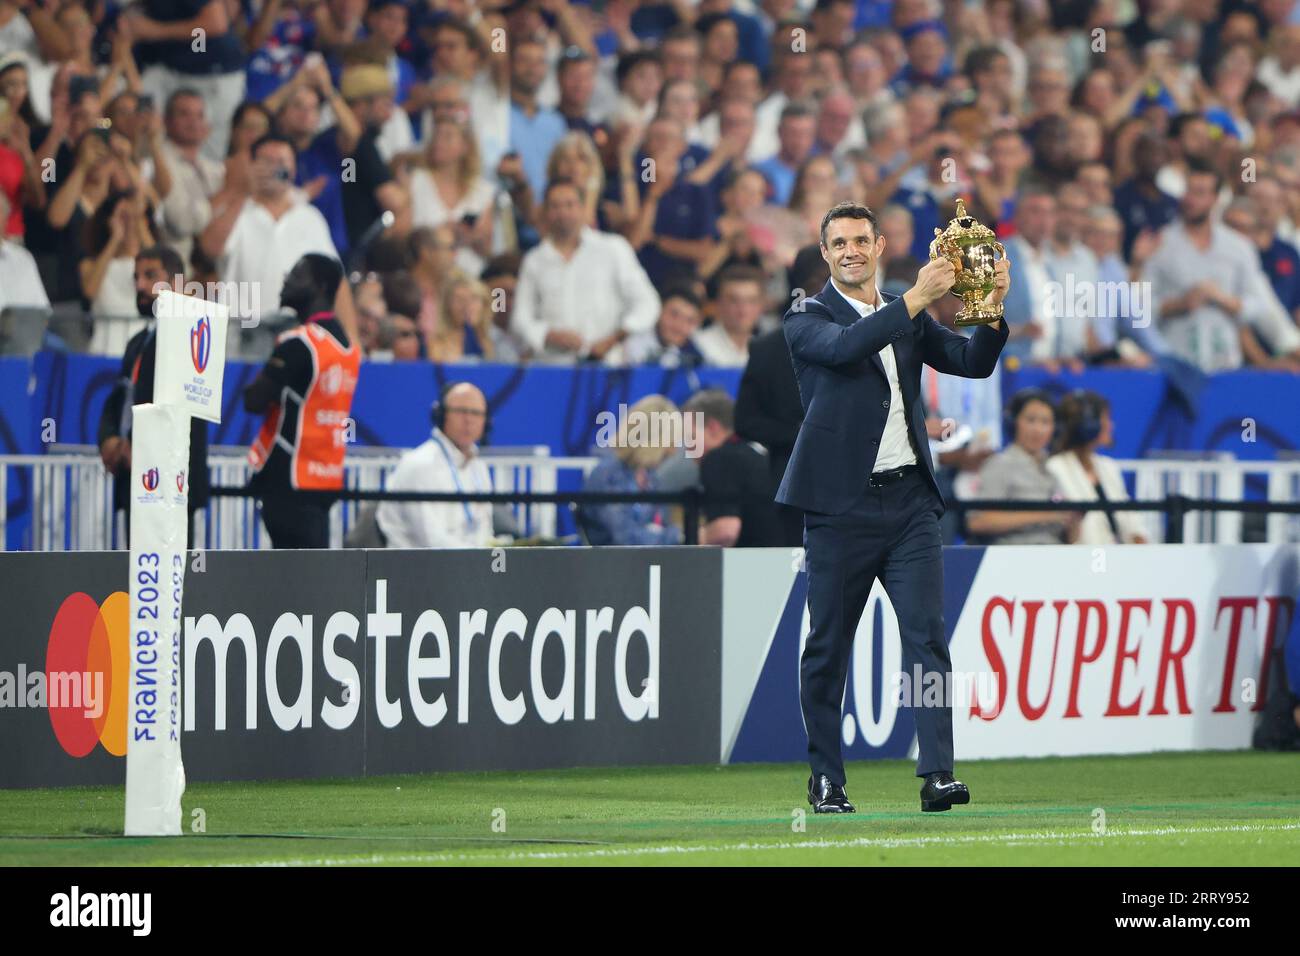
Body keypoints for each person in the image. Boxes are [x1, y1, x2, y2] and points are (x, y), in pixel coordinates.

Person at [777, 200, 1010, 814]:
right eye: (838, 244)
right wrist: (914, 300)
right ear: (825, 254)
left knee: (928, 638)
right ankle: (826, 779)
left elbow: (971, 363)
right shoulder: (806, 315)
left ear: (879, 245)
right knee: (828, 643)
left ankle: (938, 774)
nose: (851, 251)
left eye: (861, 240)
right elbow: (847, 348)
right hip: (838, 507)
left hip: (909, 502)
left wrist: (990, 311)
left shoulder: (903, 313)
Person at [96, 244, 210, 548]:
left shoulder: (195, 335)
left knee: (173, 584)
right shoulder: (138, 343)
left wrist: (141, 444)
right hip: (134, 478)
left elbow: (180, 404)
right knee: (138, 583)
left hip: (171, 482)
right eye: (136, 277)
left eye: (150, 276)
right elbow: (119, 398)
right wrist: (109, 439)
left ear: (176, 283)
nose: (140, 285)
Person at [244, 253, 359, 549]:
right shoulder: (347, 346)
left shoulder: (300, 342)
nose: (286, 280)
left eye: (297, 275)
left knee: (292, 582)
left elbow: (254, 401)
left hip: (288, 480)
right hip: (326, 478)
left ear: (320, 287)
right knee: (310, 577)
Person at [510, 178, 659, 362]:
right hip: (553, 366)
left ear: (583, 208)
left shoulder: (613, 249)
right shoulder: (535, 260)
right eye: (555, 206)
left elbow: (648, 304)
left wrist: (614, 338)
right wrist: (548, 335)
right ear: (546, 212)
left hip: (606, 365)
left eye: (569, 205)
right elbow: (520, 320)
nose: (563, 212)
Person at [375, 381, 494, 549]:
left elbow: (485, 530)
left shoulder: (479, 468)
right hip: (415, 568)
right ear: (441, 415)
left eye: (476, 413)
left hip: (466, 565)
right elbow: (430, 541)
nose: (469, 420)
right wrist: (477, 560)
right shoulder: (418, 465)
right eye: (461, 411)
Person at [966, 389, 1078, 545]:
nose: (1038, 430)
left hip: (1054, 555)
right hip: (1013, 558)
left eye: (1045, 422)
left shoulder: (1052, 469)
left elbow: (1068, 532)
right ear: (1014, 422)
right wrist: (1047, 514)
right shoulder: (1000, 463)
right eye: (1031, 420)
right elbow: (978, 521)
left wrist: (1073, 520)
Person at [1045, 390, 1149, 546]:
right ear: (1088, 425)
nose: (1111, 425)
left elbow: (1130, 519)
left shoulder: (1108, 467)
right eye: (1105, 418)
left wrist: (1139, 540)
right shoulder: (1055, 467)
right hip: (1085, 560)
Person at [683, 389, 784, 547]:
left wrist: (692, 538)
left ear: (712, 427)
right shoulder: (760, 451)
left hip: (755, 565)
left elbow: (726, 531)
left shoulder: (719, 459)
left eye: (690, 436)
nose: (688, 447)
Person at [578, 395, 683, 546]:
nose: (673, 451)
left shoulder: (650, 477)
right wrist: (676, 537)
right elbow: (624, 538)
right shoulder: (608, 476)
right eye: (670, 441)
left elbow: (660, 526)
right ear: (652, 440)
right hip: (610, 565)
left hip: (645, 563)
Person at [734, 326, 804, 547]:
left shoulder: (866, 335)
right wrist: (799, 434)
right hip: (788, 486)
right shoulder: (767, 348)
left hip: (856, 492)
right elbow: (745, 421)